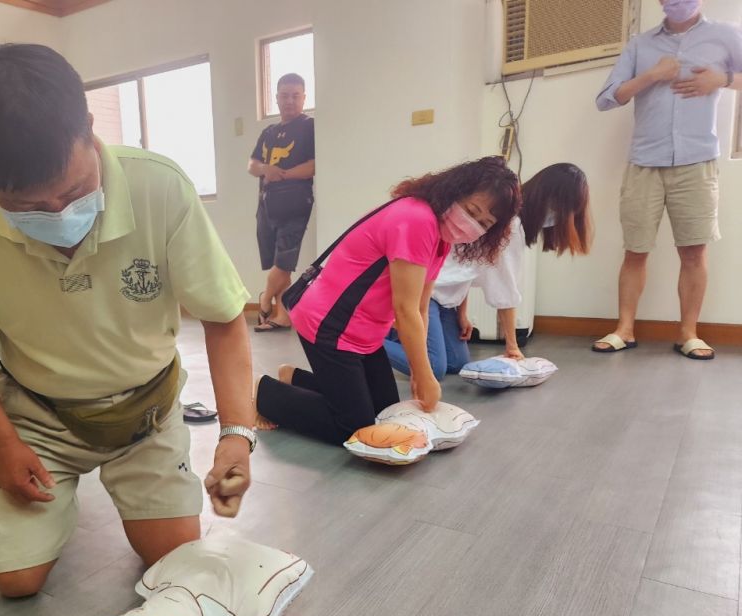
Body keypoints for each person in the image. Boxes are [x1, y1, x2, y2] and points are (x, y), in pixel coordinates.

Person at [0, 44, 256, 598]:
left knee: (173, 560)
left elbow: (224, 318)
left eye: (74, 191)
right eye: (28, 207)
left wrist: (236, 435)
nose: (59, 215)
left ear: (90, 129)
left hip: (146, 412)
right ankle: (48, 503)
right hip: (39, 415)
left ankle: (112, 490)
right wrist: (3, 442)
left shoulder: (160, 186)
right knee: (15, 581)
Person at [254, 157, 521, 446]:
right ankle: (264, 393)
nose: (472, 225)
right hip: (330, 323)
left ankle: (294, 378)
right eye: (471, 211)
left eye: (484, 223)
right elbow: (405, 310)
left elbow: (421, 306)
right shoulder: (417, 220)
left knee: (385, 413)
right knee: (354, 428)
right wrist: (425, 375)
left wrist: (420, 371)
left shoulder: (441, 238)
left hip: (364, 331)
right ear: (454, 191)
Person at [593, 0, 742, 360]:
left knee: (694, 251)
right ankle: (624, 329)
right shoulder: (640, 44)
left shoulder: (726, 35)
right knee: (635, 250)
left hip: (697, 161)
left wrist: (722, 80)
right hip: (644, 161)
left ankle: (689, 333)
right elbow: (606, 99)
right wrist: (652, 75)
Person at [384, 163, 593, 378]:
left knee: (457, 363)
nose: (558, 218)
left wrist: (461, 313)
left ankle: (393, 331)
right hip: (426, 291)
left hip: (445, 297)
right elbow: (505, 291)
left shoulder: (509, 221)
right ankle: (371, 339)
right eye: (563, 210)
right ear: (548, 200)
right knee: (434, 367)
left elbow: (463, 265)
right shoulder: (511, 226)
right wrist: (512, 347)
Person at [248, 73, 316, 332]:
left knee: (283, 262)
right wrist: (265, 169)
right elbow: (252, 164)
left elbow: (314, 165)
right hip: (266, 204)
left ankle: (265, 300)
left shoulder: (309, 127)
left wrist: (282, 174)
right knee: (277, 261)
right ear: (276, 98)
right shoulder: (269, 132)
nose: (289, 101)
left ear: (304, 98)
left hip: (295, 204)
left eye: (295, 96)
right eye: (285, 95)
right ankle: (283, 316)